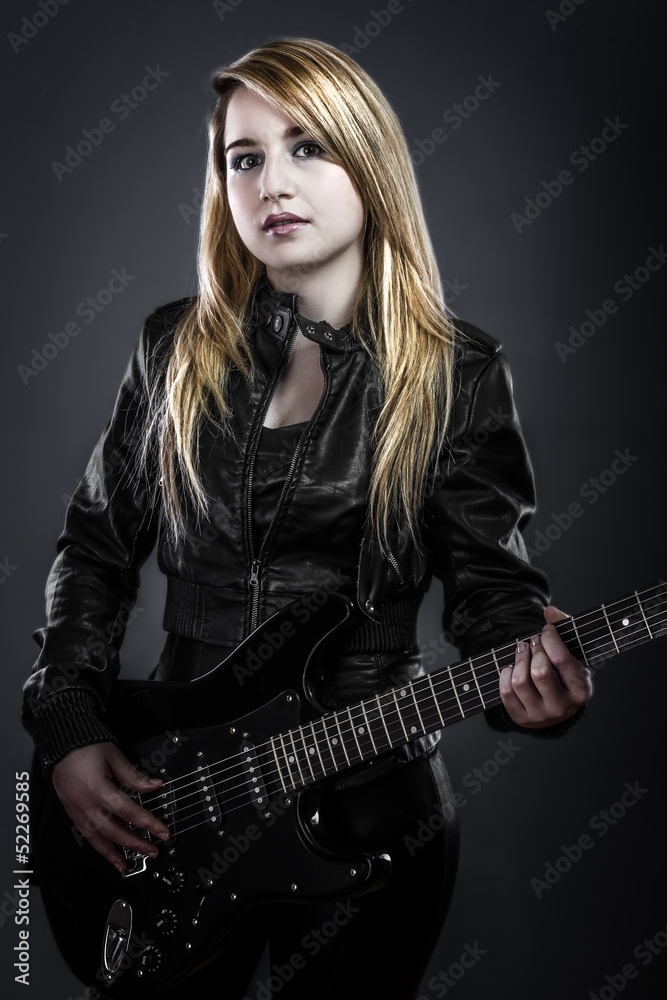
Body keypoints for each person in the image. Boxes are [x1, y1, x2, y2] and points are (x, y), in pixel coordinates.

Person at [22, 37, 591, 1000]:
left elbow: (495, 595)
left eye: (308, 148)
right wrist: (72, 726)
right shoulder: (172, 348)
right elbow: (95, 546)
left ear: (369, 164)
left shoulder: (456, 372)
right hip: (171, 783)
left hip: (369, 810)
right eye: (244, 158)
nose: (271, 183)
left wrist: (529, 683)